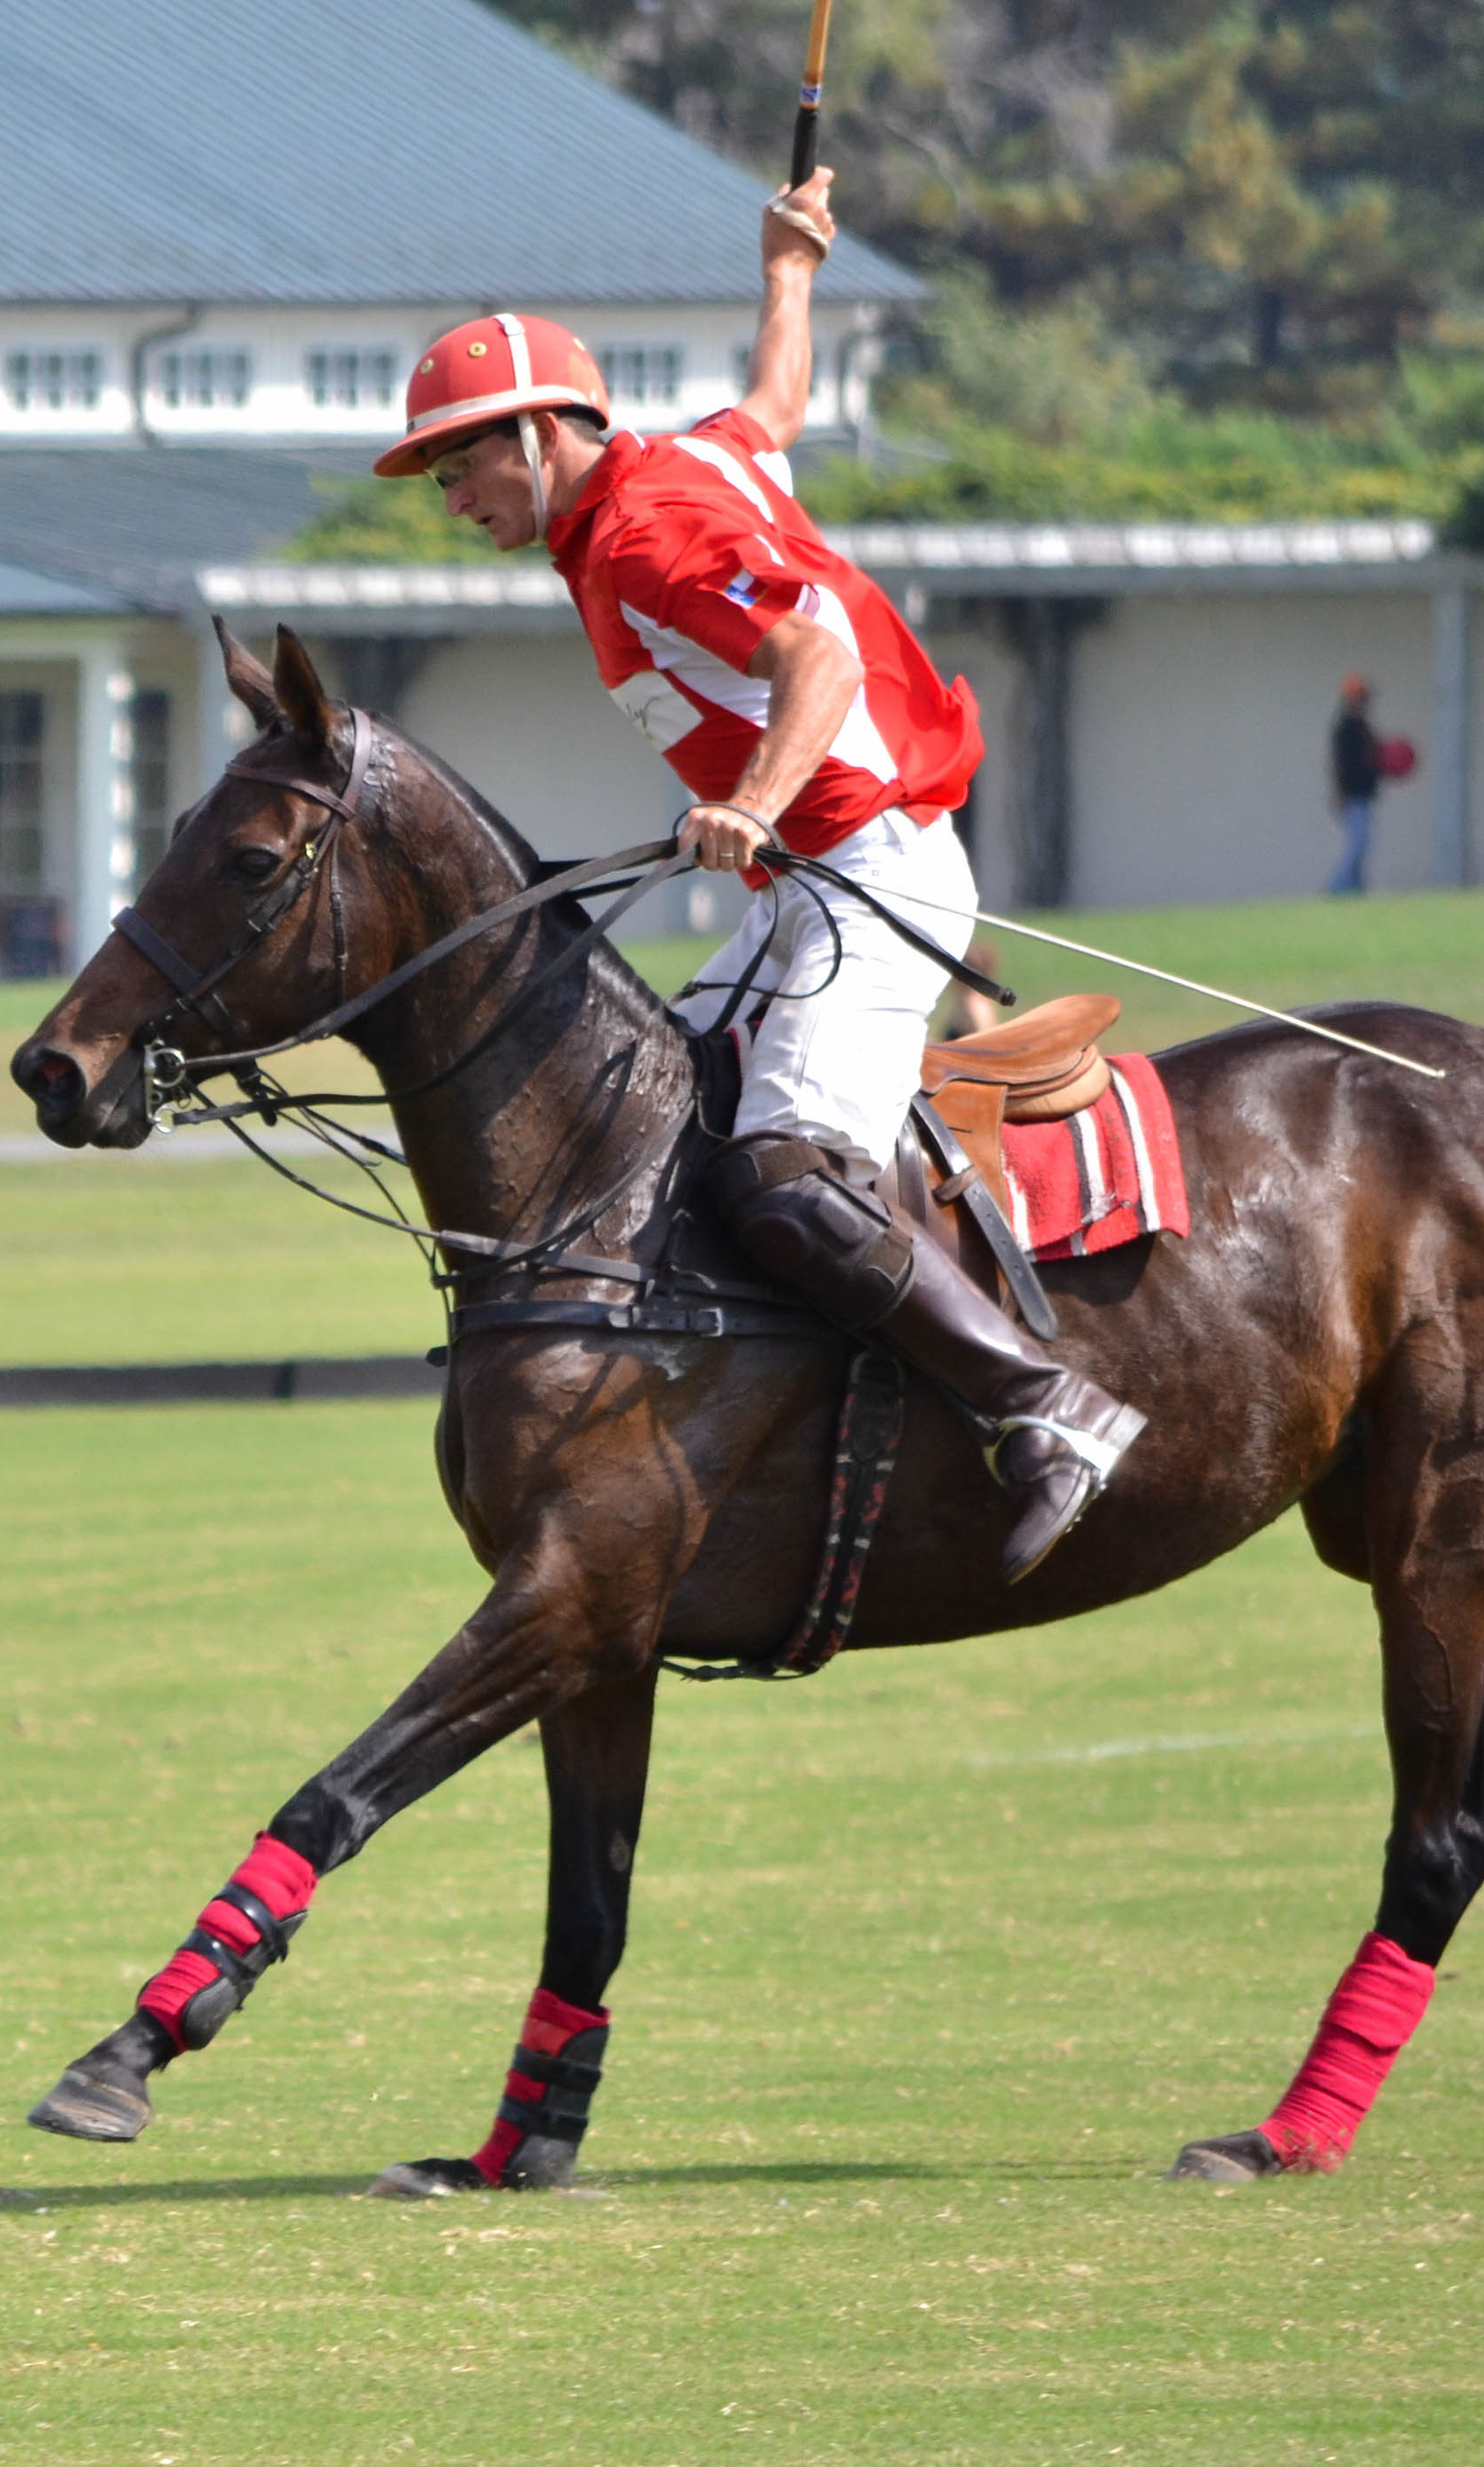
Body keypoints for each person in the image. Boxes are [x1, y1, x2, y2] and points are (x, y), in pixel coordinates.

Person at [380, 173, 1143, 1584]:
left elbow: (820, 660)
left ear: (548, 436)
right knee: (662, 1101)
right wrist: (790, 268)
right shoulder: (687, 467)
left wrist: (749, 803)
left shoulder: (646, 536)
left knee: (787, 1172)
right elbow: (776, 409)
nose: (455, 499)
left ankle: (1047, 1406)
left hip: (875, 867)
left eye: (467, 464)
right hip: (813, 883)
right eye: (441, 475)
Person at [1326, 675, 1383, 894]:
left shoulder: (1362, 727)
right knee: (1357, 844)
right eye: (1362, 699)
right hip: (1352, 795)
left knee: (1362, 844)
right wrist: (1338, 793)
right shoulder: (1346, 728)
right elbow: (1338, 764)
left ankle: (1357, 889)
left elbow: (1373, 759)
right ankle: (1336, 888)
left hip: (1363, 794)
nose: (1366, 703)